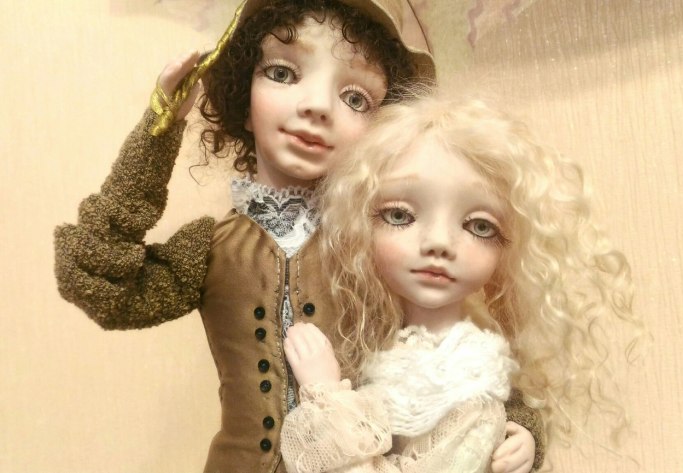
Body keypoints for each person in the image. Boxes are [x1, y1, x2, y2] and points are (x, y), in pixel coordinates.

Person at [53, 1, 543, 472]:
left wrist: (518, 423)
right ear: (243, 99)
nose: (316, 106)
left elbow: (448, 345)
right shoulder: (210, 248)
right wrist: (158, 133)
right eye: (284, 73)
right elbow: (102, 286)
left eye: (355, 99)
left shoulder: (376, 242)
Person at [280, 92, 640, 472]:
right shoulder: (378, 342)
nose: (438, 243)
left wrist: (325, 392)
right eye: (400, 216)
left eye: (479, 226)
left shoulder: (471, 380)